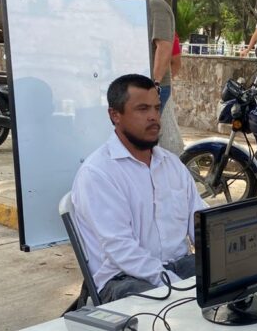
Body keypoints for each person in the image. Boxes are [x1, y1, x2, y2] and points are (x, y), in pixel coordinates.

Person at [70, 74, 206, 303]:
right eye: (142, 109)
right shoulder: (98, 173)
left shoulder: (172, 164)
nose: (154, 116)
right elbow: (121, 249)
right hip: (123, 278)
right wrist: (174, 285)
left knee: (235, 281)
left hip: (179, 265)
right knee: (162, 307)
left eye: (156, 108)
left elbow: (201, 221)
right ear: (115, 115)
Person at [124, 0, 175, 113]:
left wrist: (155, 84)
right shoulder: (145, 5)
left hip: (152, 87)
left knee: (143, 127)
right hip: (141, 85)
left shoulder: (156, 6)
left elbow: (164, 46)